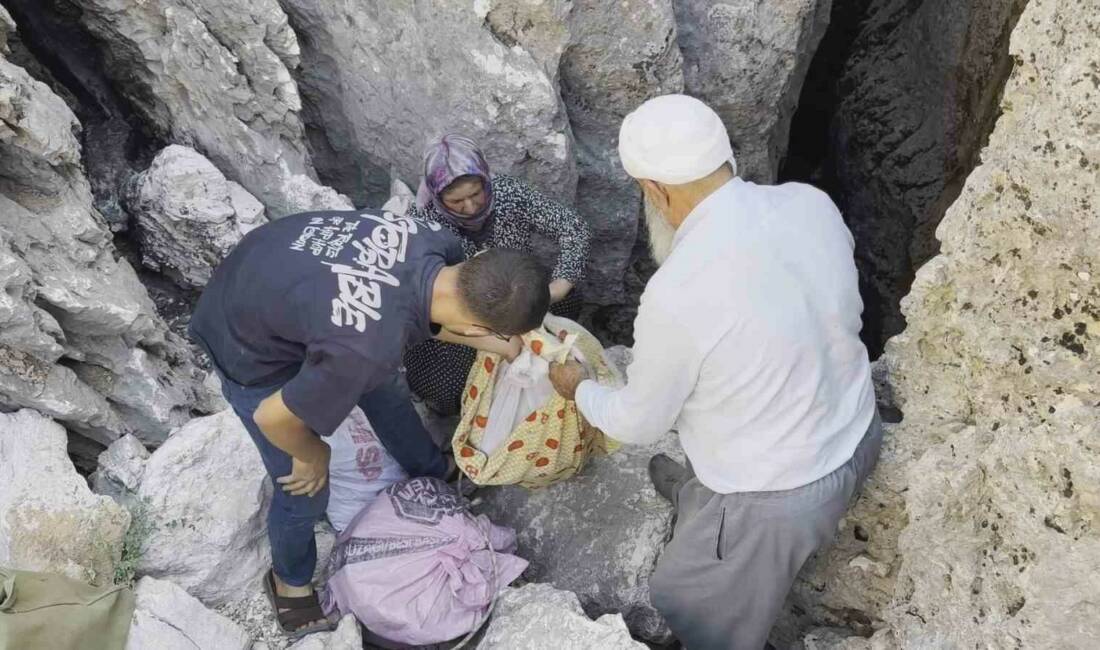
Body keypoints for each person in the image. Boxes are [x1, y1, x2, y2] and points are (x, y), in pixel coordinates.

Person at [548, 95, 882, 650]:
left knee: (682, 597)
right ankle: (700, 500)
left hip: (782, 494)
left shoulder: (678, 291)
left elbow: (637, 422)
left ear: (654, 190)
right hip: (856, 427)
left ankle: (720, 534)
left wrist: (578, 387)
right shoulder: (809, 202)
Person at [188, 208, 549, 638]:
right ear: (475, 324)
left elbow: (425, 316)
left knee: (385, 388)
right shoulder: (366, 345)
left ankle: (432, 469)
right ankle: (290, 582)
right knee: (303, 490)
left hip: (272, 267)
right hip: (243, 342)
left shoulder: (434, 241)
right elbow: (272, 417)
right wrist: (312, 453)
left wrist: (505, 348)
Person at [402, 134, 592, 415]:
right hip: (460, 322)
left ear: (485, 180)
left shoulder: (508, 193)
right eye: (456, 201)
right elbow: (418, 304)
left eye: (476, 193)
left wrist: (559, 286)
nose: (470, 207)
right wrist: (488, 337)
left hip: (514, 297)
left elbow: (573, 228)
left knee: (568, 303)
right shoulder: (423, 224)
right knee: (444, 385)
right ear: (437, 195)